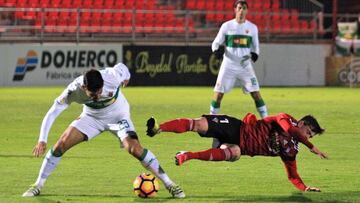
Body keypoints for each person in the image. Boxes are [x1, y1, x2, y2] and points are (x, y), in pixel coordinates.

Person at [22, 63, 185, 198]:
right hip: (91, 118)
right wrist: (42, 139)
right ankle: (37, 185)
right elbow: (53, 111)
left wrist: (127, 77)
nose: (98, 96)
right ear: (84, 87)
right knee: (60, 145)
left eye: (100, 92)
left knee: (135, 149)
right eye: (93, 94)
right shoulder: (73, 91)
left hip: (118, 116)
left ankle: (170, 184)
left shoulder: (112, 77)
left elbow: (124, 68)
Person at [146, 112, 328, 192]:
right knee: (198, 124)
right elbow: (290, 130)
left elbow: (292, 175)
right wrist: (312, 148)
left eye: (311, 137)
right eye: (309, 133)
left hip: (240, 146)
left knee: (234, 153)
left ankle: (187, 155)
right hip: (236, 129)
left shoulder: (291, 150)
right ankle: (158, 128)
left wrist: (304, 187)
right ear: (302, 124)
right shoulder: (285, 118)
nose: (308, 138)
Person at [210, 0, 268, 148]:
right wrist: (216, 51)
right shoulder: (227, 26)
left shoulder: (252, 28)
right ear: (235, 10)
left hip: (244, 65)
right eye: (239, 8)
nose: (242, 11)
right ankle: (211, 126)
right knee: (218, 94)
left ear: (247, 11)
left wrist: (255, 54)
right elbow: (216, 42)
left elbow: (256, 47)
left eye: (244, 8)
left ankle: (268, 124)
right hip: (228, 65)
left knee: (256, 94)